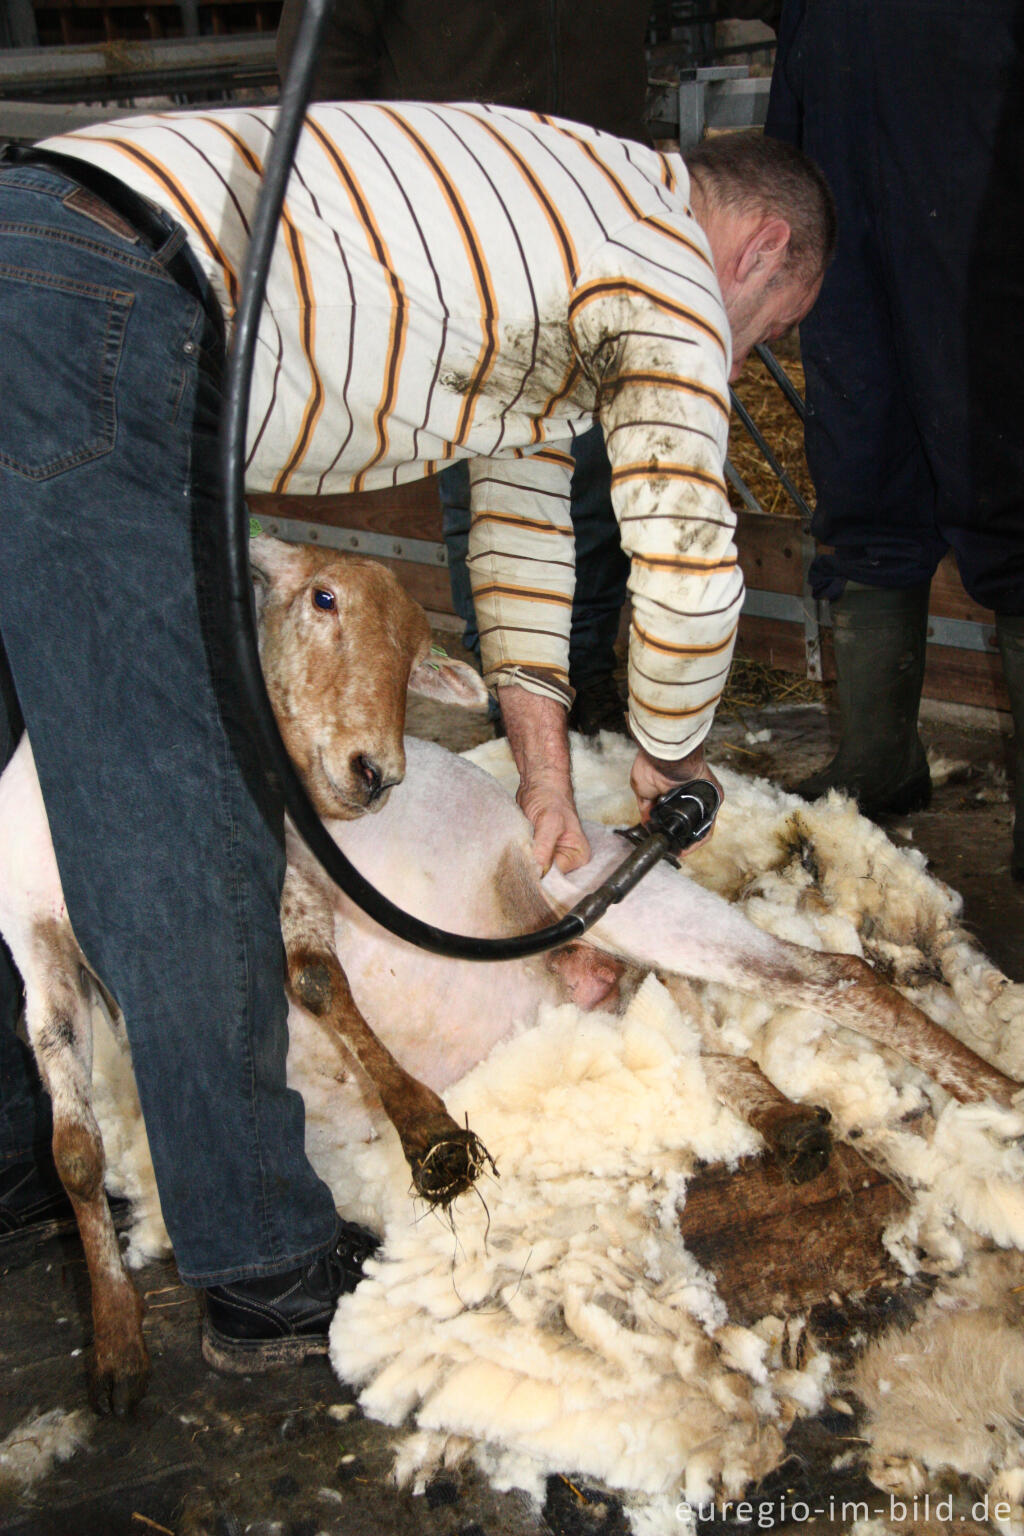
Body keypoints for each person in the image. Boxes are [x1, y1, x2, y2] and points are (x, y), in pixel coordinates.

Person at [0, 107, 831, 1364]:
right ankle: (266, 1266)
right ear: (761, 247)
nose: (740, 359)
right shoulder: (662, 261)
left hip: (39, 240)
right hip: (98, 293)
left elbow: (520, 537)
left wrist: (547, 777)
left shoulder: (563, 222)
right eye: (769, 332)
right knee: (177, 790)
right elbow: (687, 557)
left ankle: (15, 1163)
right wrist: (670, 747)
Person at [275, 0, 652, 737]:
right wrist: (369, 208)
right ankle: (512, 688)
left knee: (594, 458)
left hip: (595, 208)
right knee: (483, 458)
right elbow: (325, 53)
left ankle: (585, 671)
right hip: (454, 218)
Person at [765, 0, 1024, 877]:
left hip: (983, 202)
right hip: (847, 185)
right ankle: (882, 758)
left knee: (1008, 479)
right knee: (864, 465)